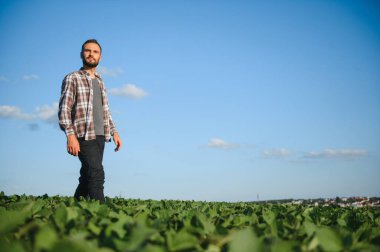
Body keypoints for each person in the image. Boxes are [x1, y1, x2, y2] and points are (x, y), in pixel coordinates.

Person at [58, 39, 122, 203]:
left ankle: (73, 209)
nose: (91, 54)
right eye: (87, 51)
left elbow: (106, 110)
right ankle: (101, 216)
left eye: (95, 52)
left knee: (88, 175)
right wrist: (70, 135)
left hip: (101, 135)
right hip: (84, 135)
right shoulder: (73, 78)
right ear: (81, 54)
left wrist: (114, 132)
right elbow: (64, 108)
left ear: (100, 57)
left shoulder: (100, 81)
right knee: (96, 173)